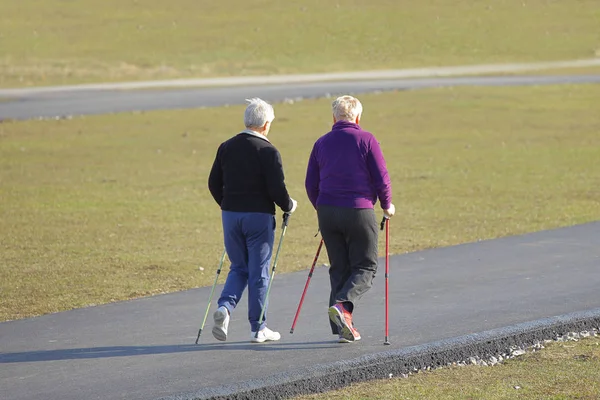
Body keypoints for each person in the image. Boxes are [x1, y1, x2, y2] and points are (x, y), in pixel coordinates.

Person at [305, 95, 395, 343]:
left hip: (327, 211)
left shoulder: (321, 143)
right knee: (366, 266)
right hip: (359, 210)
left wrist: (321, 207)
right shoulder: (367, 139)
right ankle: (343, 308)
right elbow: (381, 177)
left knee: (339, 268)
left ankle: (342, 328)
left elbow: (310, 183)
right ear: (357, 117)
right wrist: (387, 205)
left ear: (334, 117)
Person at [208, 98, 297, 343]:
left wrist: (227, 205)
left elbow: (213, 183)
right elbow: (277, 189)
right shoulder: (269, 151)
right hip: (258, 218)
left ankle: (225, 308)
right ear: (266, 124)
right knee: (259, 272)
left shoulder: (226, 146)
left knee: (238, 267)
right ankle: (258, 328)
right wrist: (289, 205)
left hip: (230, 216)